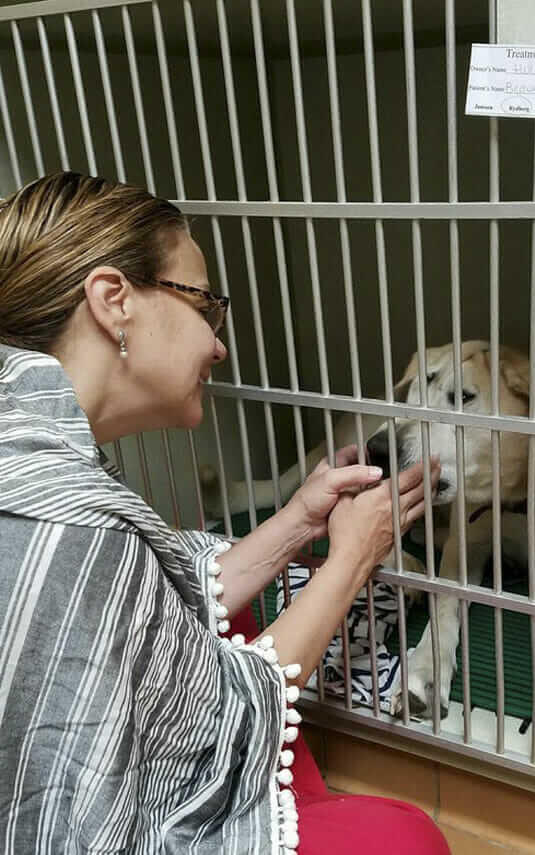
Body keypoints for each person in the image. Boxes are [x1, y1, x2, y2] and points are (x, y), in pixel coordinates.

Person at [0, 172, 449, 855]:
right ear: (112, 301)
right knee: (407, 838)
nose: (219, 342)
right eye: (204, 304)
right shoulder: (77, 529)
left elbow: (164, 588)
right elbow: (219, 712)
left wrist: (299, 517)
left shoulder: (29, 439)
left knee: (220, 608)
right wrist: (352, 558)